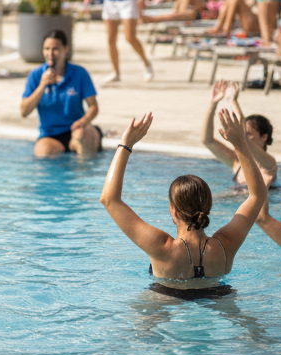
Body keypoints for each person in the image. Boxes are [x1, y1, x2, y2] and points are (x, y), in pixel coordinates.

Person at [100, 110, 267, 300]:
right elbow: (257, 195)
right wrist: (240, 144)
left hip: (165, 299)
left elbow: (109, 199)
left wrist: (125, 145)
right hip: (219, 297)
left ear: (173, 209)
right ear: (208, 207)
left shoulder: (161, 247)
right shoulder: (225, 246)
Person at [19, 29, 101, 158]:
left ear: (65, 49)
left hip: (76, 129)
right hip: (51, 135)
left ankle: (84, 167)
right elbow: (24, 112)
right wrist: (42, 85)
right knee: (42, 153)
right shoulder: (35, 75)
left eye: (55, 49)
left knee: (83, 136)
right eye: (47, 49)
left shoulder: (79, 73)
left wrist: (83, 121)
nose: (50, 54)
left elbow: (93, 107)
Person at [201, 81, 279, 186]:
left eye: (249, 134)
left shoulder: (269, 165)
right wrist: (212, 104)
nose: (243, 136)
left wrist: (233, 101)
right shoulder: (237, 164)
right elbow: (207, 140)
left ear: (264, 137)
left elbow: (243, 138)